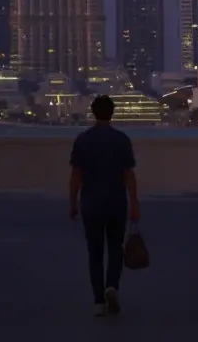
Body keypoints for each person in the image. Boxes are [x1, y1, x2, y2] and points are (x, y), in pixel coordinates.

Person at [68, 94, 140, 317]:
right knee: (115, 249)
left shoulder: (82, 140)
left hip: (91, 204)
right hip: (116, 203)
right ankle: (112, 286)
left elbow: (75, 177)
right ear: (112, 113)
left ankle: (99, 301)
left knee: (95, 253)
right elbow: (129, 176)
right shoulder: (122, 140)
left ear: (93, 112)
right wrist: (134, 204)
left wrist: (73, 203)